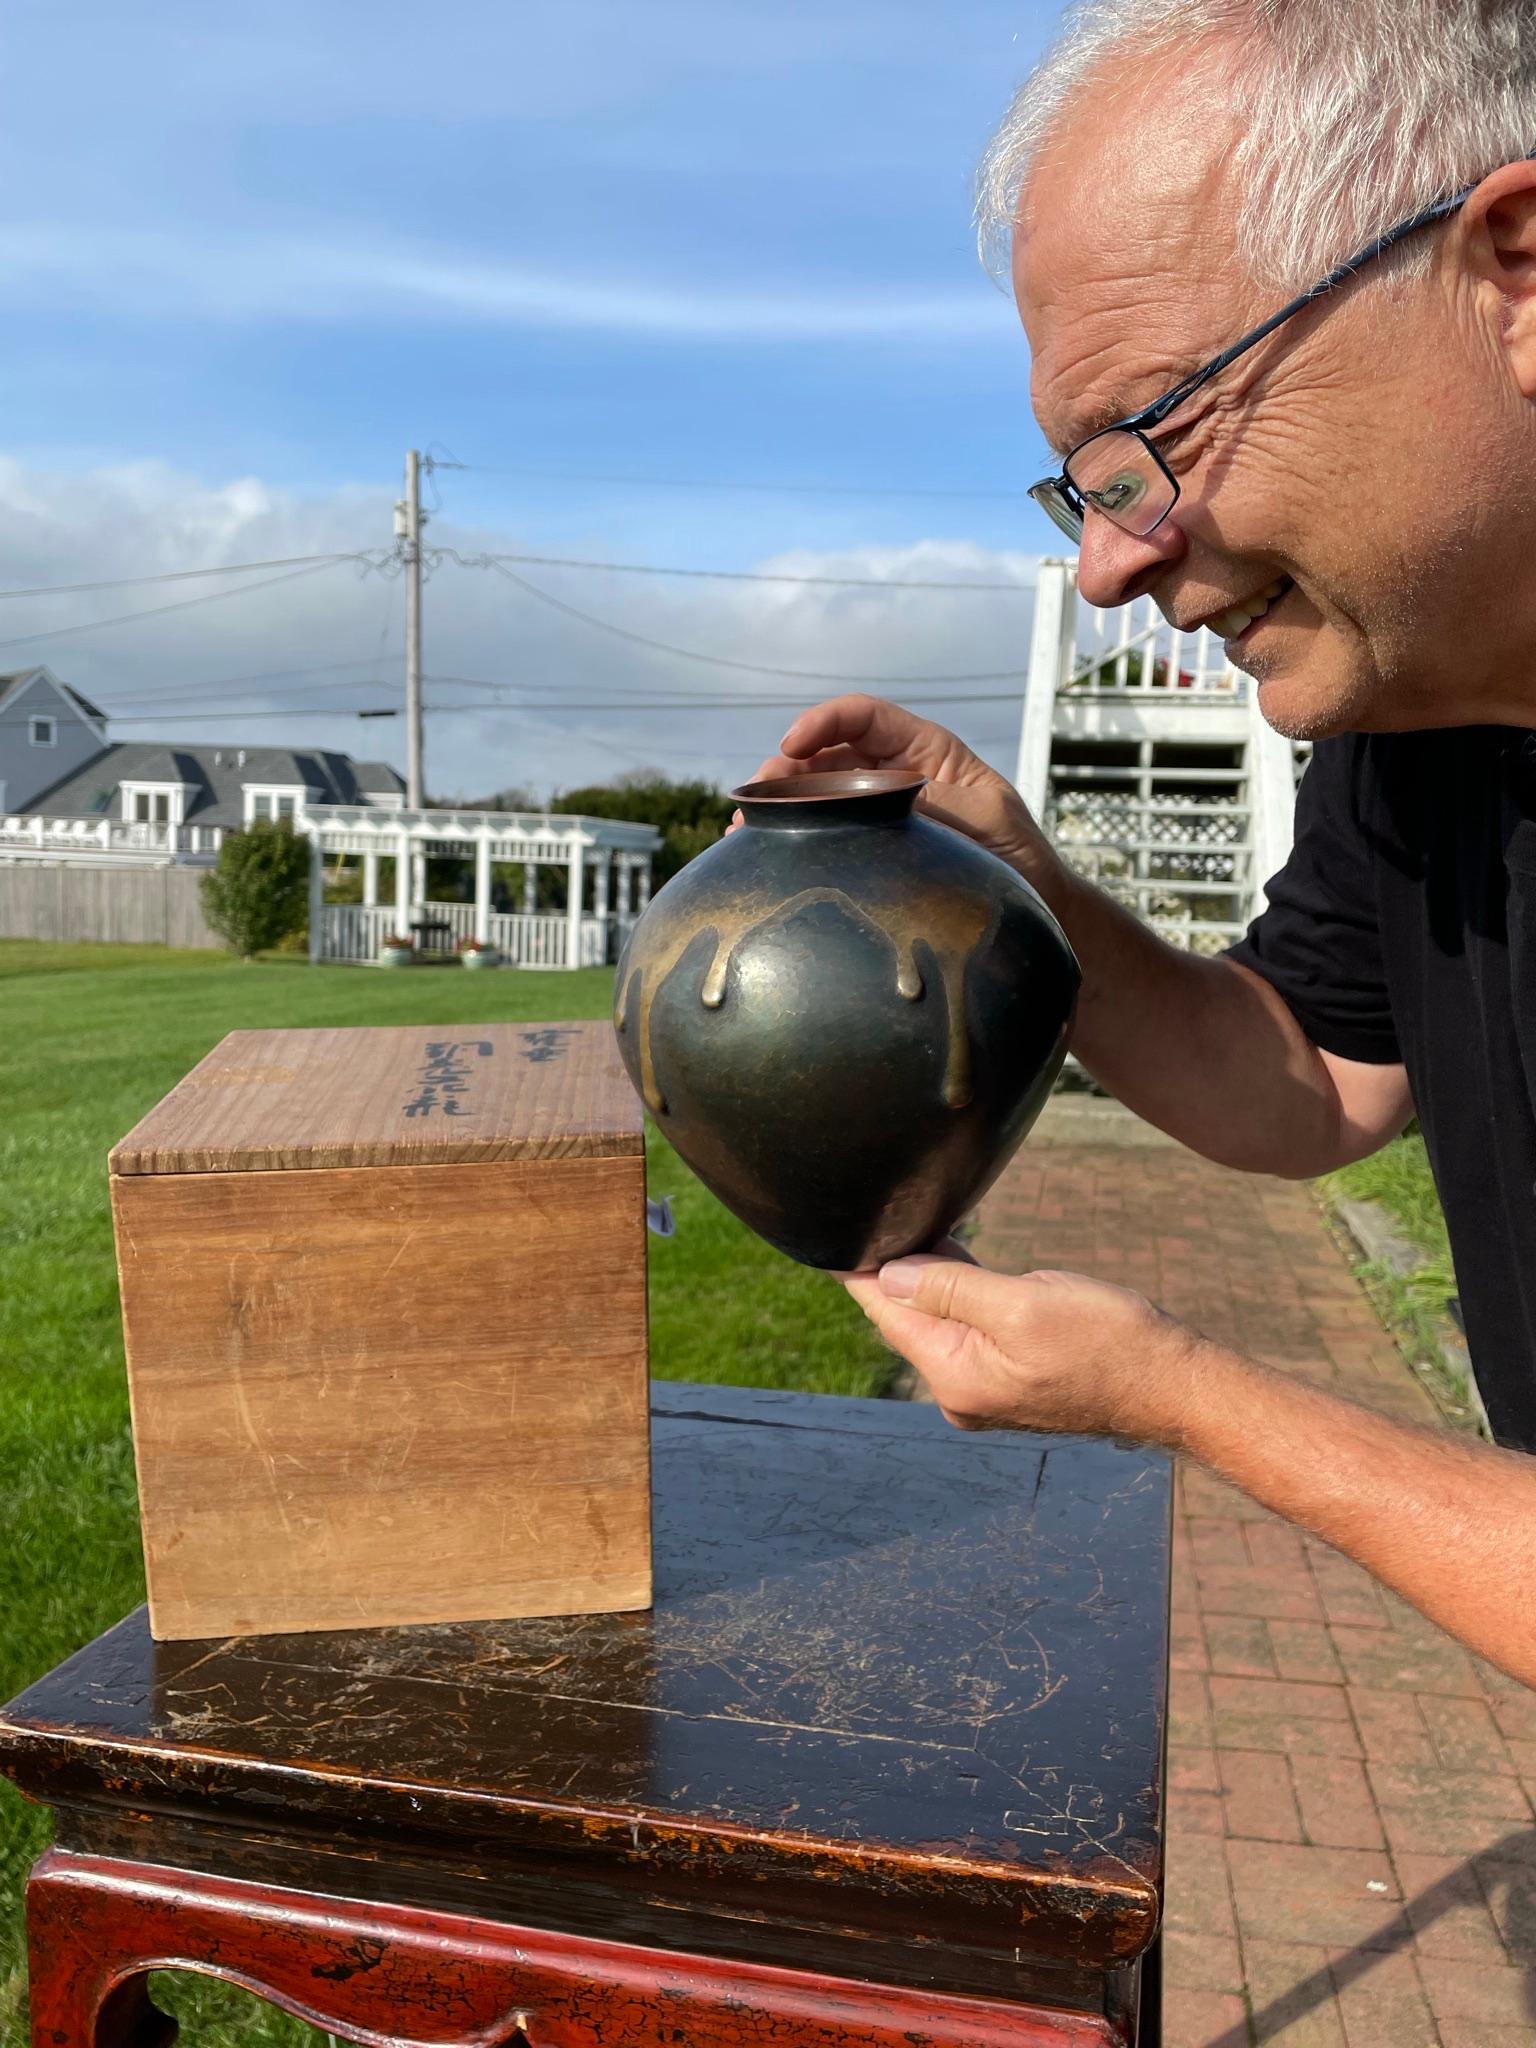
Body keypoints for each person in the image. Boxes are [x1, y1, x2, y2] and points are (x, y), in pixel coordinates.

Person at [746, 0, 1536, 1688]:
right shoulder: (1416, 720)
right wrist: (1017, 870)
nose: (1110, 564)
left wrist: (1176, 1392)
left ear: (1515, 274)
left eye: (1153, 431)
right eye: (1084, 488)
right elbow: (1313, 1081)